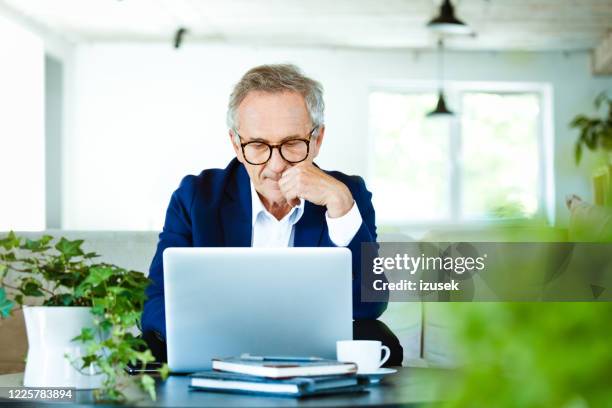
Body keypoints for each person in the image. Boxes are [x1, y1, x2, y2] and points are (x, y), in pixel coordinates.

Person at [141, 64, 402, 365]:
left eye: (292, 144)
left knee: (379, 337)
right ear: (236, 145)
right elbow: (155, 302)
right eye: (258, 145)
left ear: (317, 140)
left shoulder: (348, 193)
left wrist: (341, 205)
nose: (276, 165)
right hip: (218, 351)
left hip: (315, 355)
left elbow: (370, 305)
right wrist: (225, 334)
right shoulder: (195, 196)